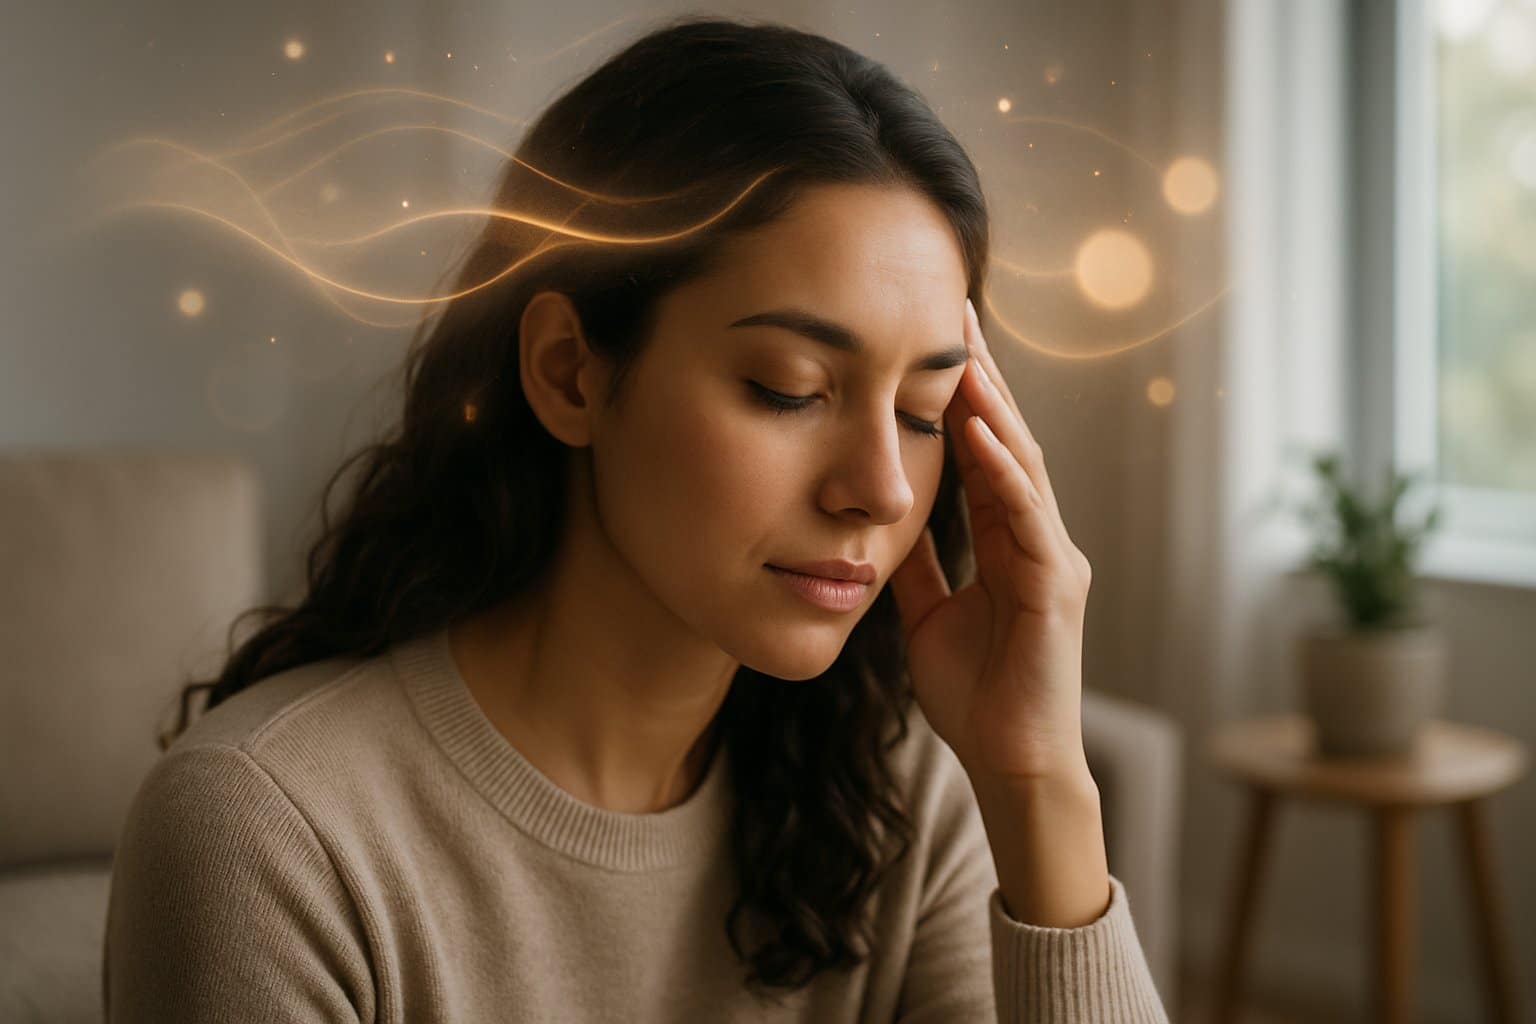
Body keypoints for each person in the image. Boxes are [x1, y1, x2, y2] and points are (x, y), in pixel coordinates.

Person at [103, 14, 1170, 1022]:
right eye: (791, 389)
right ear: (570, 372)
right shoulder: (267, 832)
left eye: (924, 410)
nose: (884, 489)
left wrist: (1037, 783)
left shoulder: (895, 795)